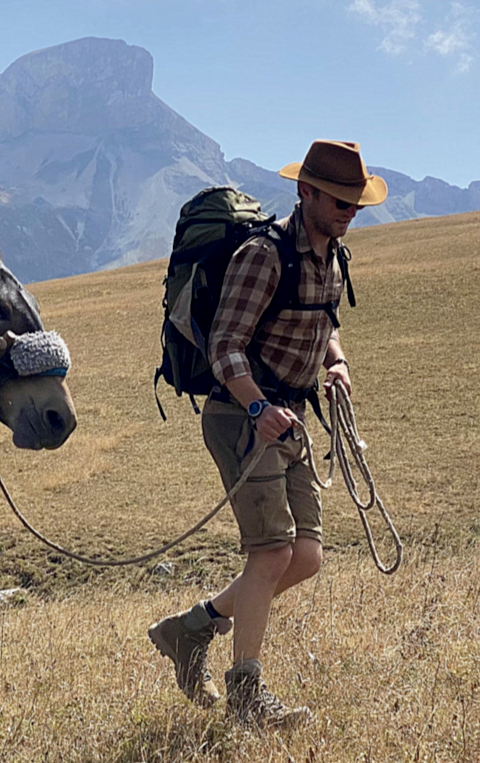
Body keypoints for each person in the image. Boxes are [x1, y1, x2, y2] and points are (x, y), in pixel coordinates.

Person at [148, 140, 388, 727]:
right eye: (339, 201)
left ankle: (191, 628)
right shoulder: (263, 255)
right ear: (305, 191)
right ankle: (246, 696)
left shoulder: (331, 255)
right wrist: (258, 410)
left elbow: (325, 325)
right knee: (272, 552)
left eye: (354, 204)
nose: (348, 213)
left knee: (305, 557)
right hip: (242, 418)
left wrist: (338, 363)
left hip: (291, 419)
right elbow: (224, 345)